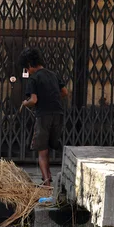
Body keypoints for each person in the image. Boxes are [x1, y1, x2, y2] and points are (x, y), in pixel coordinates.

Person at [19, 48, 68, 186]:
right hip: (58, 114)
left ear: (29, 64)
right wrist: (51, 98)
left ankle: (46, 182)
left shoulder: (34, 78)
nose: (27, 72)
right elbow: (65, 92)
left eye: (26, 69)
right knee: (50, 146)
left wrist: (25, 103)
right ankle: (49, 176)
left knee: (42, 150)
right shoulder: (53, 74)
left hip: (44, 115)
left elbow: (33, 100)